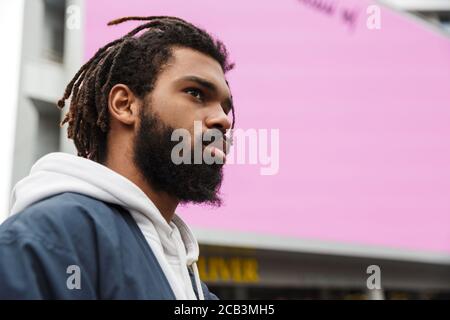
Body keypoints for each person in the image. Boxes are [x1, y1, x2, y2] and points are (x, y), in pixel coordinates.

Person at [0, 16, 235, 299]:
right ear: (125, 105)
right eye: (196, 93)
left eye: (226, 107)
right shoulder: (48, 238)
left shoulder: (195, 288)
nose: (223, 120)